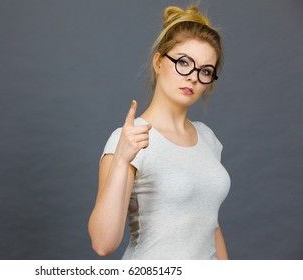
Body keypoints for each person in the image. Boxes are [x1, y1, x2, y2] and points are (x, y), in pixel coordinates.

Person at [88, 5, 231, 260]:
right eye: (183, 62)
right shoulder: (129, 138)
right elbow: (102, 243)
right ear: (158, 62)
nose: (193, 77)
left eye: (205, 71)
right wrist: (122, 159)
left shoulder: (208, 138)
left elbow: (210, 224)